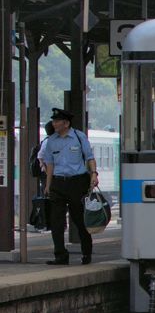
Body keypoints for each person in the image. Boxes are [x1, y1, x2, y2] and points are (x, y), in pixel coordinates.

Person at [42, 108, 98, 265]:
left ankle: (87, 253)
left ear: (66, 123)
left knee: (80, 220)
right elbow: (50, 164)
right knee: (56, 221)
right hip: (58, 183)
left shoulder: (79, 137)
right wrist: (48, 185)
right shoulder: (51, 141)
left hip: (77, 182)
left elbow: (90, 157)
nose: (53, 124)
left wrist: (94, 174)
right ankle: (60, 255)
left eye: (56, 121)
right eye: (53, 121)